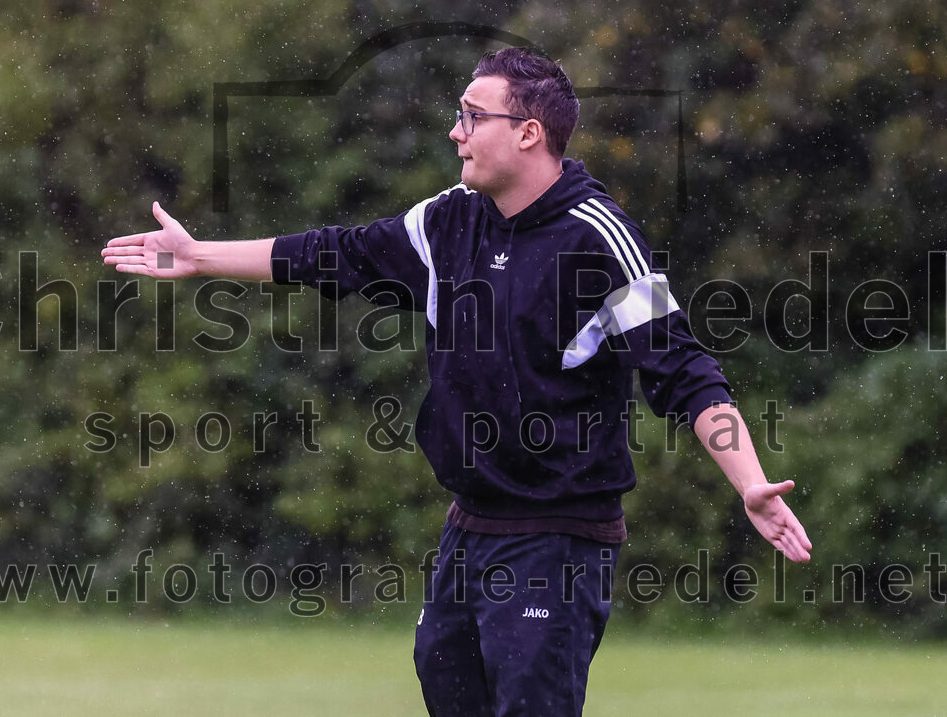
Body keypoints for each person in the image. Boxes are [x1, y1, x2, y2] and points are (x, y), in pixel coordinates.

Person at [102, 47, 812, 716]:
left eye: (473, 115)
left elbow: (684, 372)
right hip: (469, 528)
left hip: (557, 538)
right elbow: (337, 254)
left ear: (529, 132)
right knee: (444, 678)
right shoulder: (448, 222)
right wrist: (200, 256)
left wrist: (748, 478)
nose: (455, 131)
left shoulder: (598, 239)